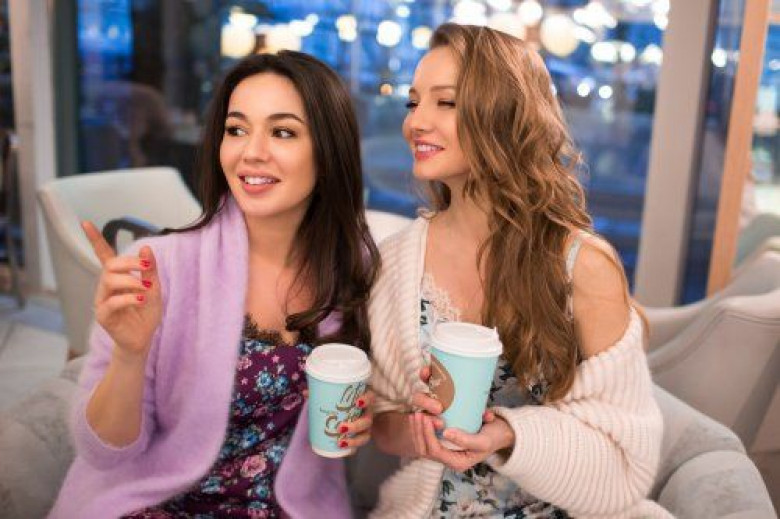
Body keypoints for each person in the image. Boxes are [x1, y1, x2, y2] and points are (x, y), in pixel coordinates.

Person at [49, 51, 380, 519]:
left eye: (283, 132)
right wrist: (129, 354)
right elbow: (104, 453)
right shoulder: (159, 267)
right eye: (236, 129)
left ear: (329, 152)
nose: (251, 152)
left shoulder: (355, 269)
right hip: (154, 504)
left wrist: (366, 416)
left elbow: (370, 406)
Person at [368, 24, 668, 518]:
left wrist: (507, 434)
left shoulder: (582, 267)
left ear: (504, 115)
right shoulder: (397, 261)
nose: (415, 122)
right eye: (413, 102)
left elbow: (625, 462)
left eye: (446, 102)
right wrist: (422, 431)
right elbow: (383, 424)